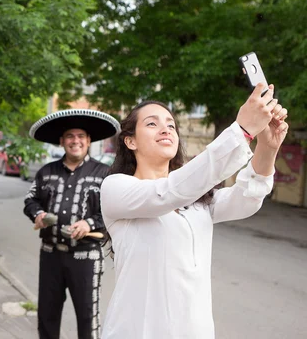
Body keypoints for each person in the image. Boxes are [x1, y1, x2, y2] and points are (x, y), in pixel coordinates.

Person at [99, 83, 288, 339]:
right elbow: (168, 192)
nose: (166, 128)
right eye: (152, 124)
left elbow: (246, 198)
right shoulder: (116, 189)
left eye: (171, 124)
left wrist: (268, 147)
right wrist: (242, 130)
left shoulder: (196, 200)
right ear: (130, 140)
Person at [24, 109, 120, 339]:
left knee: (88, 318)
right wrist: (37, 214)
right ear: (61, 141)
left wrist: (89, 224)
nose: (75, 141)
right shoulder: (46, 172)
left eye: (80, 136)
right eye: (69, 136)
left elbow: (113, 210)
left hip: (85, 258)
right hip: (50, 255)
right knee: (47, 315)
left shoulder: (105, 174)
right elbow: (30, 200)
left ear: (88, 141)